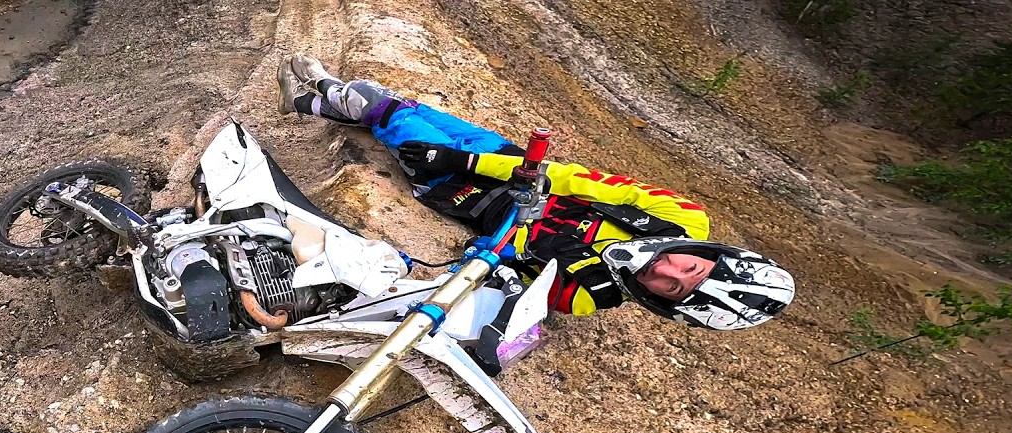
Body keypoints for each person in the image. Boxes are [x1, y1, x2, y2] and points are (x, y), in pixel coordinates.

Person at [276, 55, 796, 330]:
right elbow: (578, 180)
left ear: (665, 305)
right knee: (417, 114)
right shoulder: (683, 217)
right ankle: (311, 100)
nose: (667, 270)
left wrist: (492, 254)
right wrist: (474, 160)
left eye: (674, 289)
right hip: (511, 165)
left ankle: (324, 92)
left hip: (465, 196)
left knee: (393, 116)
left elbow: (507, 277)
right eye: (692, 267)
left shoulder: (590, 294)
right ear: (709, 251)